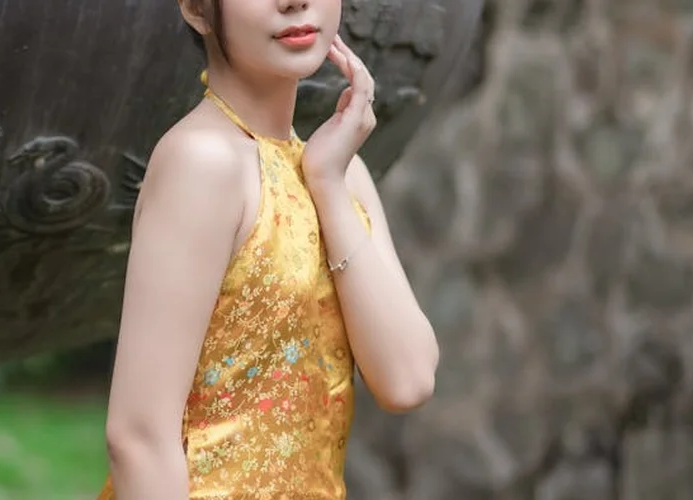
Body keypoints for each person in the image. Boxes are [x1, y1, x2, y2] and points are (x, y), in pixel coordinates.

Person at [99, 0, 440, 498]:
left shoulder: (338, 171)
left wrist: (325, 183)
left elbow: (407, 380)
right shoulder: (203, 163)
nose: (294, 1)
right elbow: (138, 437)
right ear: (197, 10)